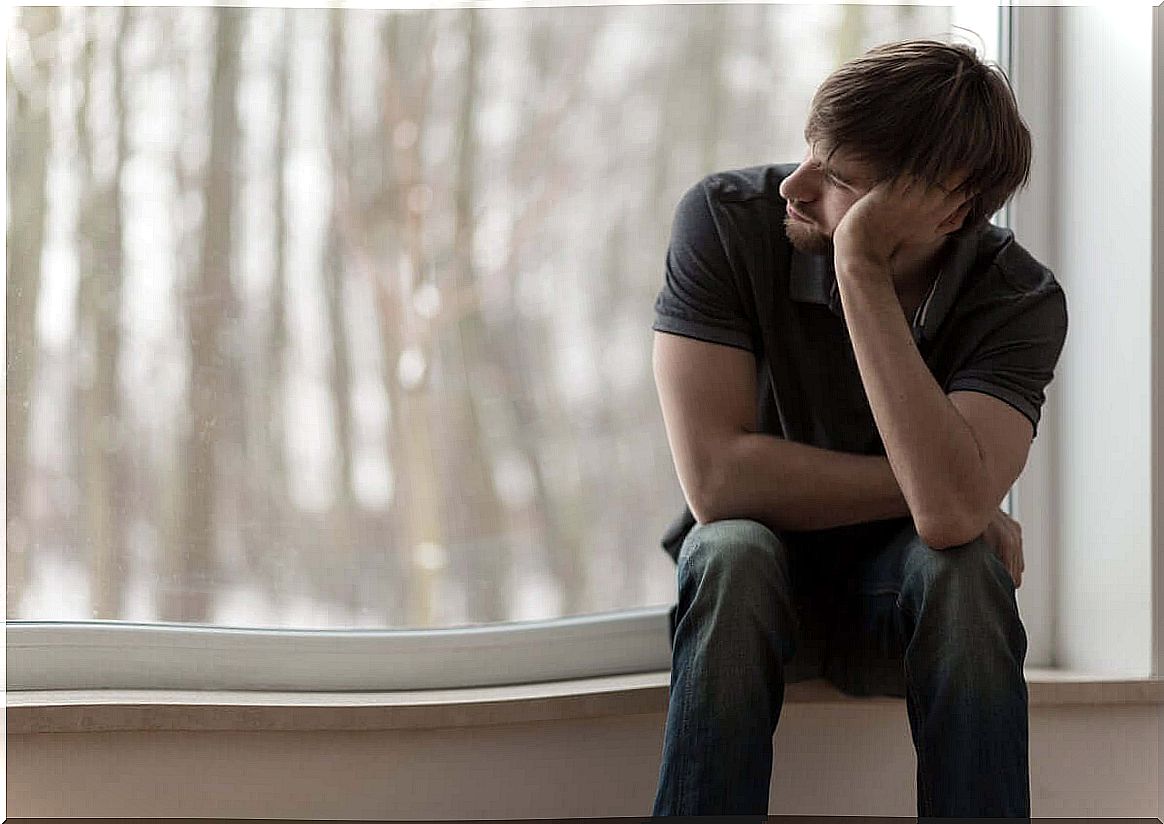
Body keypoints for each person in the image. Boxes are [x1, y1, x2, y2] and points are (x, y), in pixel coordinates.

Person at [649, 37, 1068, 818]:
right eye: (812, 152)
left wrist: (860, 267)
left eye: (840, 178)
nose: (798, 186)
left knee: (963, 571)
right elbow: (715, 482)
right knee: (730, 548)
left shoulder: (1017, 300)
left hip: (903, 614)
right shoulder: (724, 221)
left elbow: (945, 522)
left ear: (947, 206)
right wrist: (947, 494)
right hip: (751, 606)